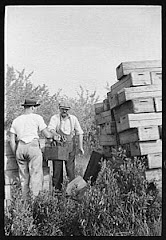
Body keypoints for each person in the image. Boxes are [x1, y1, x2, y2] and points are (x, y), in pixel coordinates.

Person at [10, 98, 54, 200]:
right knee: (36, 175)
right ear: (33, 108)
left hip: (20, 147)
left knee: (23, 178)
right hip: (32, 146)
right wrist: (53, 135)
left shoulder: (16, 120)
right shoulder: (37, 118)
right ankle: (35, 202)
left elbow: (12, 141)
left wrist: (16, 153)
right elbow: (47, 135)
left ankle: (24, 203)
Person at [48, 101, 84, 190]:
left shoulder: (73, 119)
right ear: (59, 109)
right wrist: (55, 134)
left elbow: (80, 132)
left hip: (70, 146)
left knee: (70, 170)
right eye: (63, 109)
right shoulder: (55, 118)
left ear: (69, 110)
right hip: (58, 147)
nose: (64, 111)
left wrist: (80, 147)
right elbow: (50, 129)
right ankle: (57, 193)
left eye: (66, 110)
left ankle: (71, 192)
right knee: (57, 171)